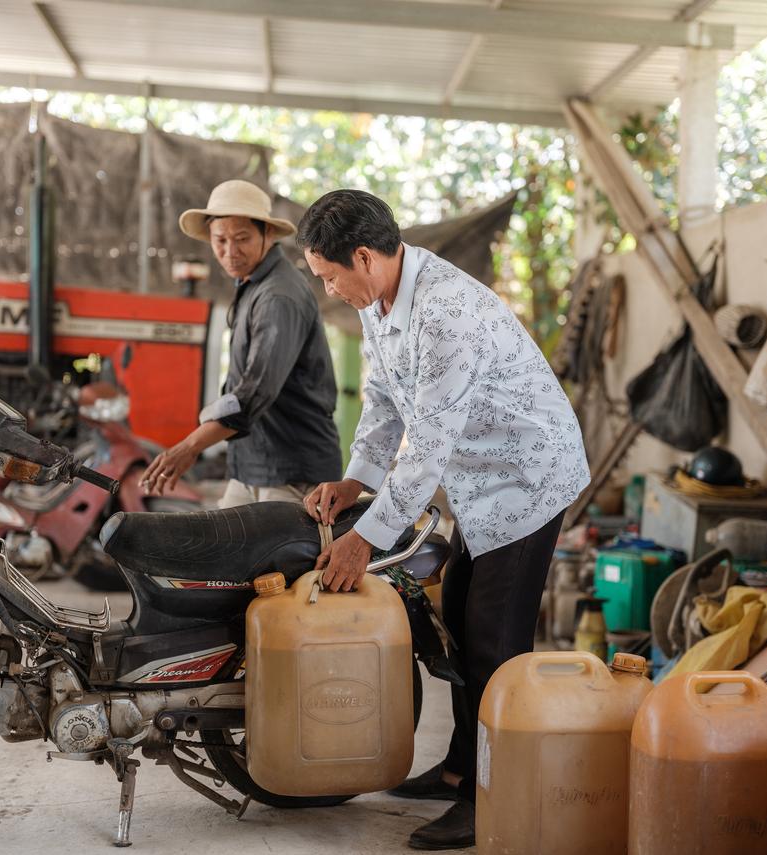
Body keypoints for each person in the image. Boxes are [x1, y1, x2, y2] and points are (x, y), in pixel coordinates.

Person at [297, 190, 589, 851]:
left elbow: (426, 444)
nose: (329, 287)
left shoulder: (445, 312)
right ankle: (462, 763)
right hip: (481, 480)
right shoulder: (379, 300)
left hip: (529, 474)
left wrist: (364, 541)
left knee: (495, 640)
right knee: (456, 611)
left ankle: (492, 796)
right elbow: (383, 401)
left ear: (364, 257)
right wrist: (356, 480)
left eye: (329, 274)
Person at [141, 180, 341, 507]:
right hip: (252, 468)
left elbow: (252, 394)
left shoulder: (278, 295)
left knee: (278, 560)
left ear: (268, 235)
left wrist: (189, 447)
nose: (230, 252)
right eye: (220, 240)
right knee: (221, 554)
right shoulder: (251, 284)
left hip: (291, 474)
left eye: (242, 238)